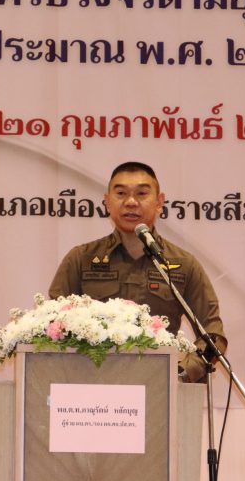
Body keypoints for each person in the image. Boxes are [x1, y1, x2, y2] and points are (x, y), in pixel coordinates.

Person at [48, 161, 227, 383]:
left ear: (159, 202)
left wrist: (181, 373)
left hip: (160, 387)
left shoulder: (182, 264)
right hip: (91, 388)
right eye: (121, 193)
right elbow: (52, 324)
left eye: (141, 193)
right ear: (107, 202)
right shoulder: (81, 259)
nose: (131, 202)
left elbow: (213, 335)